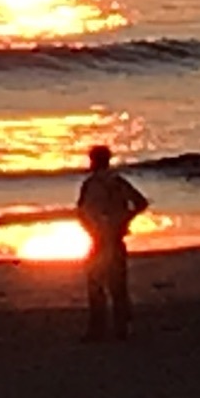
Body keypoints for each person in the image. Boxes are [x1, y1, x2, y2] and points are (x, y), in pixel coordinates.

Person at [74, 145, 149, 342]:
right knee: (115, 285)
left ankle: (100, 329)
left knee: (98, 284)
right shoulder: (115, 181)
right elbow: (141, 203)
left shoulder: (93, 183)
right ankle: (119, 328)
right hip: (110, 236)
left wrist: (93, 226)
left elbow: (80, 210)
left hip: (103, 237)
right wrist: (125, 218)